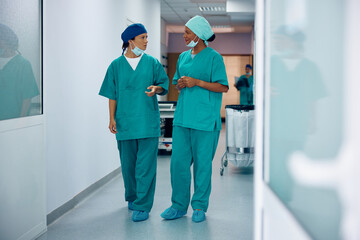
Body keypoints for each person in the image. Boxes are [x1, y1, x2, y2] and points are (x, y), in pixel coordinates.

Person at [161, 15, 228, 223]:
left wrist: (197, 82)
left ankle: (199, 206)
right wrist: (180, 83)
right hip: (182, 118)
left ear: (198, 36)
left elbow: (223, 86)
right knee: (178, 165)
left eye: (187, 32)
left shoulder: (214, 57)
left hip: (205, 121)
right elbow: (176, 82)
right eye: (184, 32)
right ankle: (178, 206)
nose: (184, 36)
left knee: (202, 166)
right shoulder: (182, 57)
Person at [99, 23, 169, 222]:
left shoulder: (152, 63)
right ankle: (132, 196)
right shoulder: (115, 66)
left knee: (145, 166)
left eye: (147, 37)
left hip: (147, 123)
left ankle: (142, 205)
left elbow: (163, 85)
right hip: (125, 123)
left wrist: (157, 89)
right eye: (143, 38)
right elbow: (112, 95)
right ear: (131, 41)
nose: (147, 41)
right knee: (128, 165)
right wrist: (111, 118)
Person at [0, 23, 39, 121]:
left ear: (7, 41)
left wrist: (21, 122)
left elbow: (27, 97)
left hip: (12, 120)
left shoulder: (23, 64)